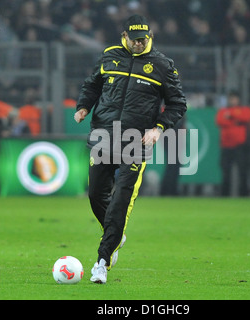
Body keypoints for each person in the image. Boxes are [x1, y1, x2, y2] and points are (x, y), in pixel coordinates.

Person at [73, 14, 187, 284]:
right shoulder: (109, 56)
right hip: (103, 135)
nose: (139, 44)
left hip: (137, 141)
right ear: (124, 37)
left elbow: (177, 104)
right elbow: (93, 84)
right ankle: (116, 233)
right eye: (134, 39)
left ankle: (102, 261)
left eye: (143, 39)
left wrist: (158, 128)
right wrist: (83, 106)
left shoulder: (162, 66)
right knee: (94, 195)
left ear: (150, 37)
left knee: (121, 198)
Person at [216, 91, 250, 197]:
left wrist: (231, 115)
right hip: (226, 146)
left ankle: (244, 194)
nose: (233, 101)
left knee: (243, 171)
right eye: (231, 99)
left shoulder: (243, 110)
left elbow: (248, 117)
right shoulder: (223, 111)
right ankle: (225, 194)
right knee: (226, 172)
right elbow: (220, 121)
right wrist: (236, 120)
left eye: (235, 99)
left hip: (240, 146)